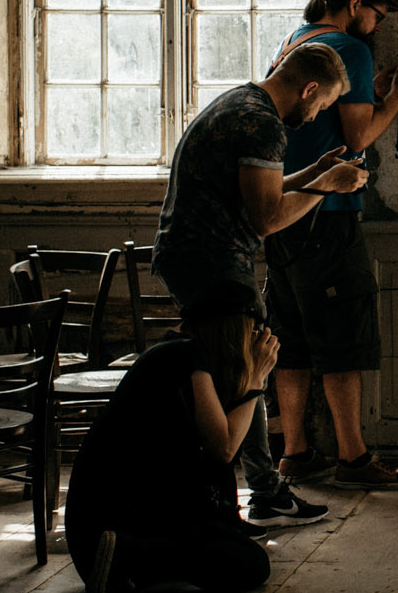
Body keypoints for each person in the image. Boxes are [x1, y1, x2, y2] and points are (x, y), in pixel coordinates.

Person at [149, 37, 365, 529]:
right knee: (240, 374)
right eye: (323, 105)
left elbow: (260, 189)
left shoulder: (242, 103)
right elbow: (266, 217)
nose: (316, 117)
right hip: (213, 262)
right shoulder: (262, 124)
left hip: (195, 256)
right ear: (310, 89)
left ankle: (261, 490)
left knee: (237, 368)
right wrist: (327, 187)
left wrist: (318, 170)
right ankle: (240, 498)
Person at [261, 0, 398, 495]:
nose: (378, 28)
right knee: (341, 335)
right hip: (328, 214)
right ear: (355, 5)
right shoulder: (351, 51)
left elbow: (324, 119)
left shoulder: (296, 40)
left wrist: (373, 93)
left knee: (289, 335)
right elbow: (357, 137)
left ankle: (294, 454)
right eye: (377, 16)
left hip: (282, 209)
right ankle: (353, 458)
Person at [66, 309, 282, 593]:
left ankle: (137, 565)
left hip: (106, 522)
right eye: (254, 329)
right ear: (232, 330)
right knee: (252, 564)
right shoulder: (189, 357)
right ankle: (125, 559)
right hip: (110, 529)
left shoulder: (177, 352)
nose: (259, 338)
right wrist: (257, 378)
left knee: (229, 541)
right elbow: (226, 448)